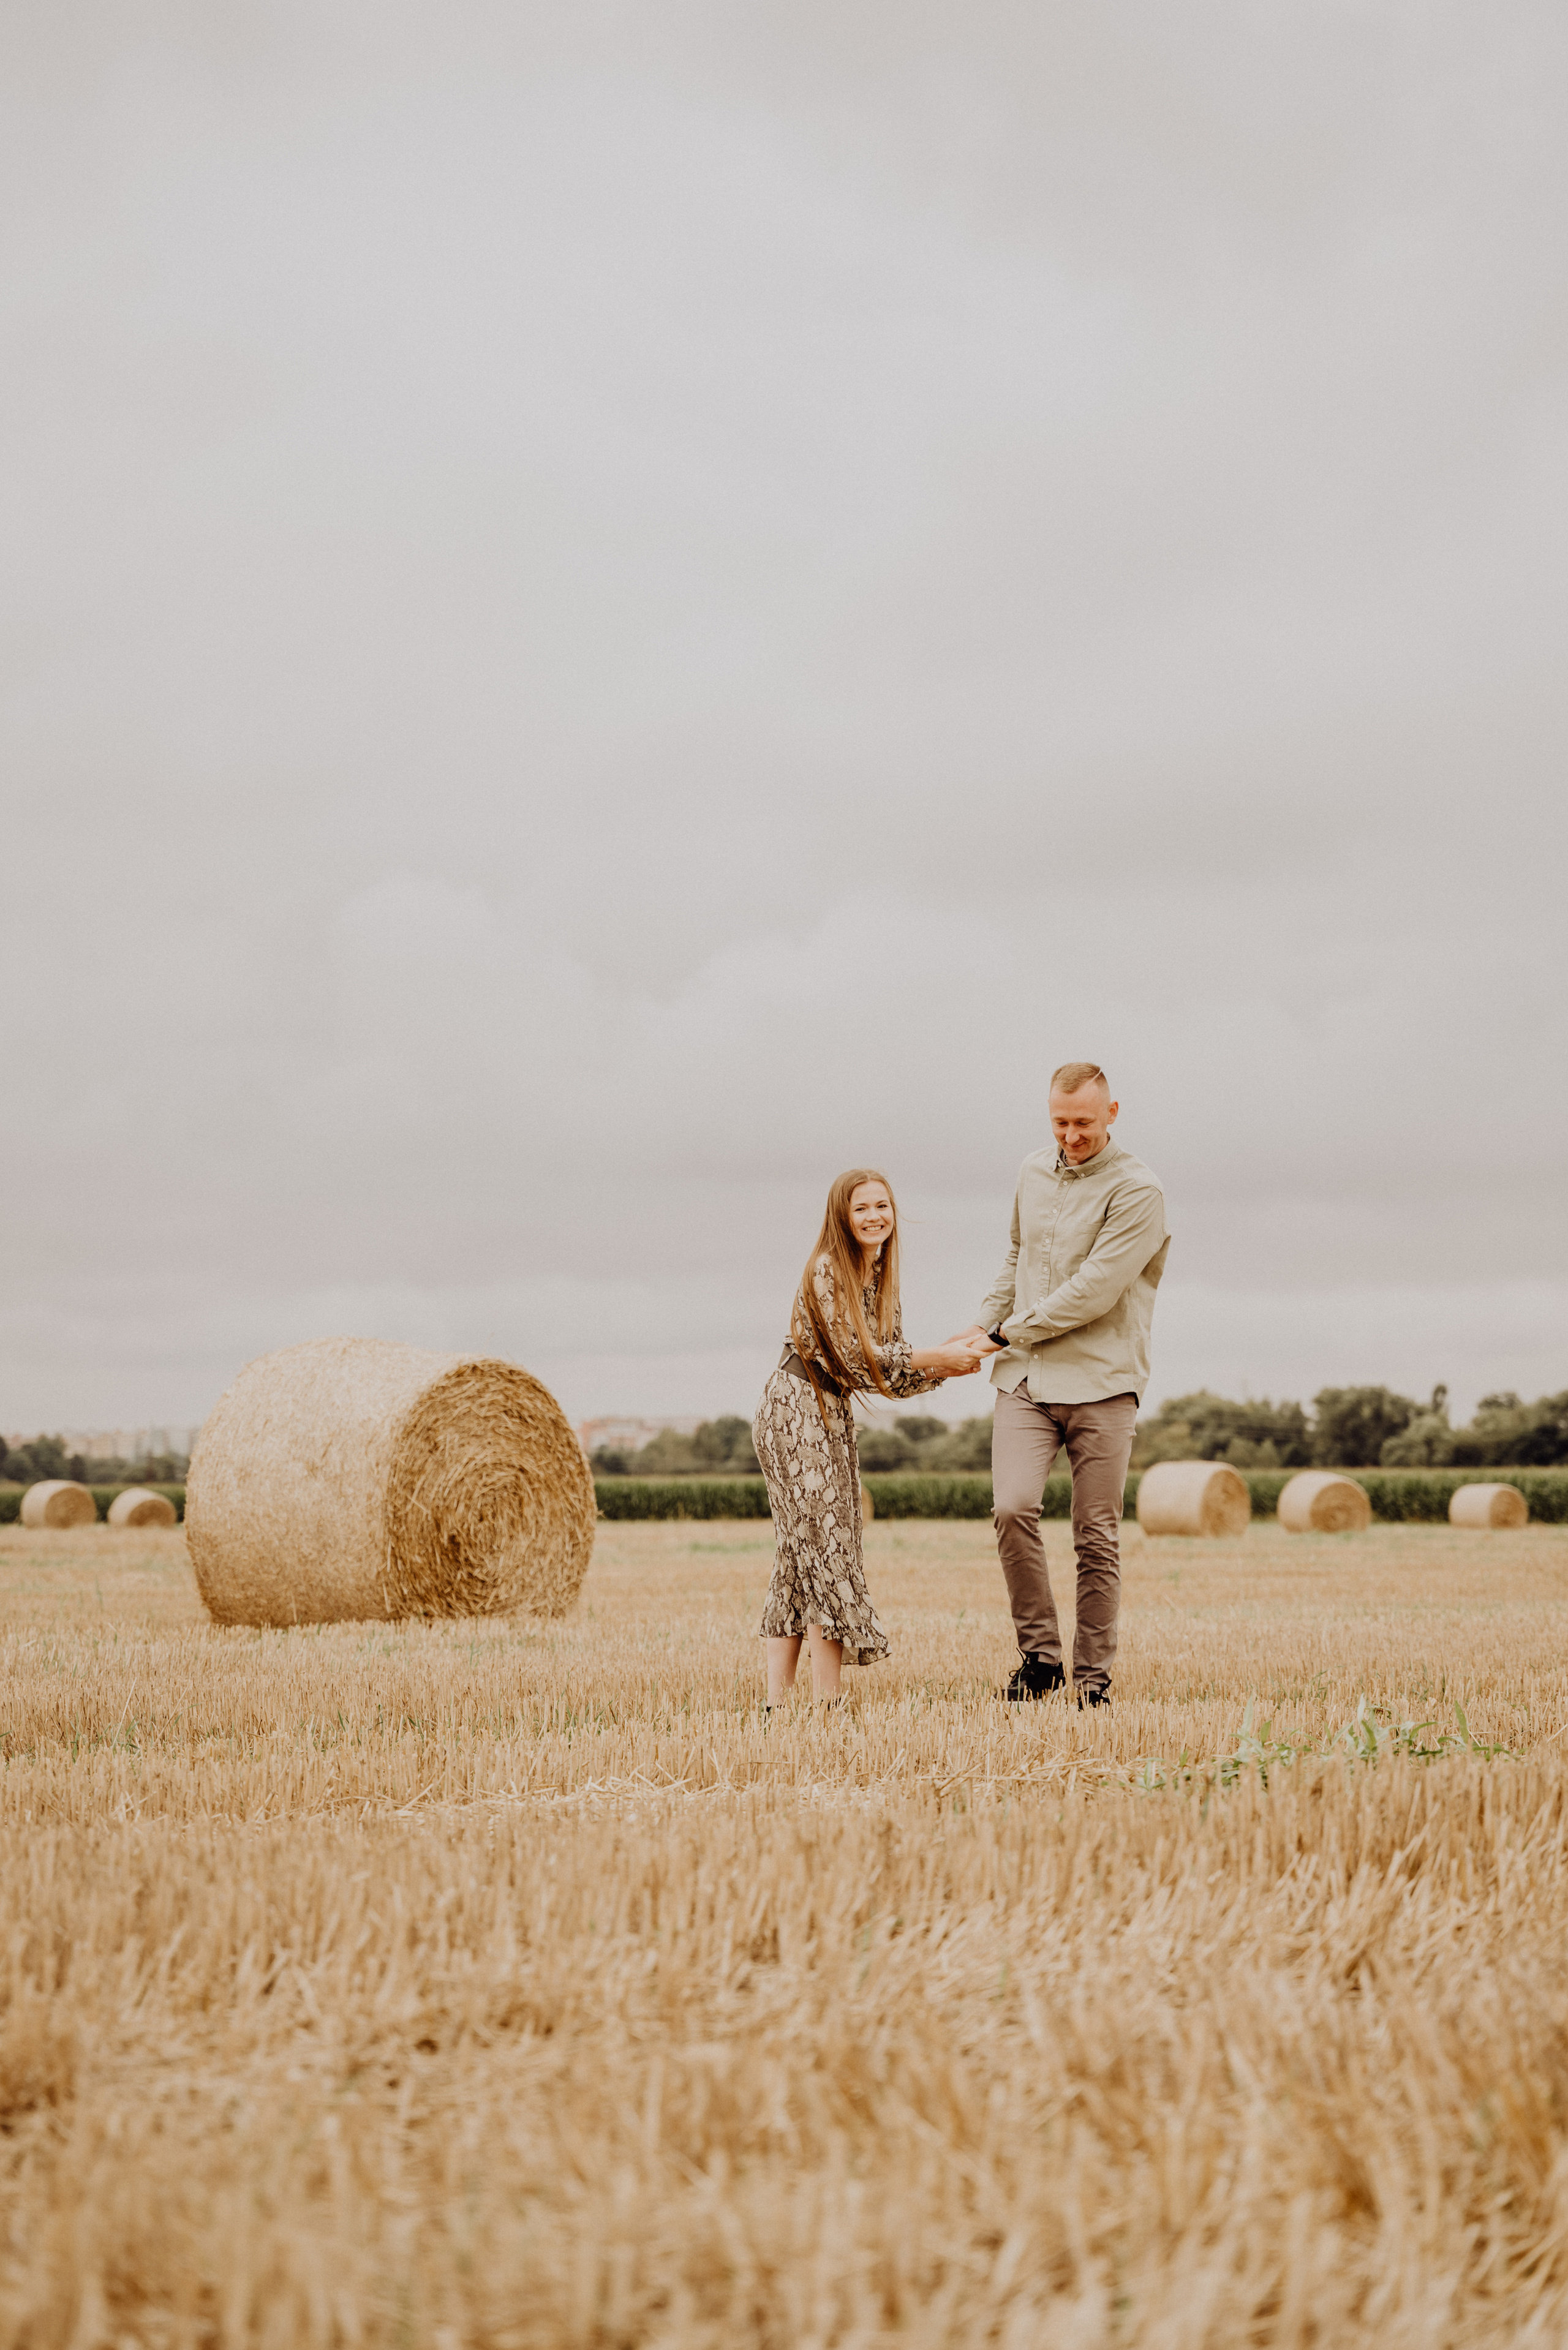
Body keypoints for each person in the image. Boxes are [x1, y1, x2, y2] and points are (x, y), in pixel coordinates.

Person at [957, 1064, 1169, 1708]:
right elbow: (1016, 1258)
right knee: (1012, 1508)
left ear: (1111, 1112)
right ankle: (1040, 1659)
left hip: (1100, 1381)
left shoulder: (1138, 1191)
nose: (1070, 1135)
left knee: (1094, 1535)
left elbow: (1095, 1291)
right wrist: (976, 1331)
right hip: (1024, 1378)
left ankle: (1093, 1680)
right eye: (1059, 1122)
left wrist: (1005, 1333)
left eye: (1082, 1122)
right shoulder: (1030, 1172)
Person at [753, 1169, 982, 1706]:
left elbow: (890, 1374)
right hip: (795, 1407)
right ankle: (827, 1704)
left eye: (884, 1205)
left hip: (828, 1412)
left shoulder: (879, 1278)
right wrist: (935, 1356)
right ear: (842, 1215)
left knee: (800, 1556)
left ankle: (774, 1708)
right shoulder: (829, 1268)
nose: (876, 1215)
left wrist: (949, 1364)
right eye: (863, 1208)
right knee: (827, 1550)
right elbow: (855, 1359)